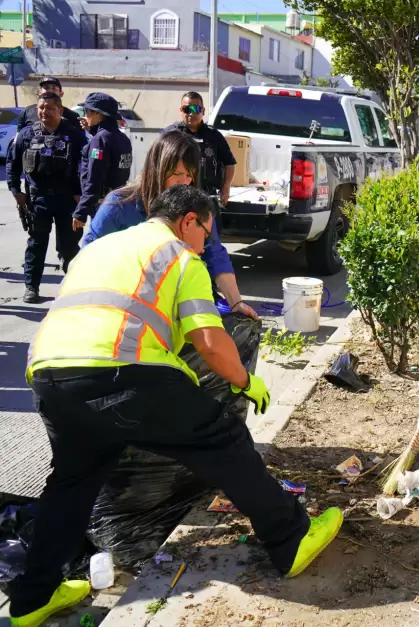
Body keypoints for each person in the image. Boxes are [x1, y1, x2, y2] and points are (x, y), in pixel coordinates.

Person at [6, 186, 343, 627]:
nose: (207, 243)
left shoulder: (104, 246)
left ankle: (33, 598)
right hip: (125, 371)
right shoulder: (180, 256)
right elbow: (210, 340)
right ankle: (291, 538)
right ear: (189, 221)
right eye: (207, 231)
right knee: (222, 439)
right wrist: (245, 381)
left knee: (72, 483)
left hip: (50, 373)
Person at [83, 130, 258, 319]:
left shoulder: (197, 209)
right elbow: (87, 257)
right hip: (122, 312)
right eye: (176, 174)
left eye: (190, 176)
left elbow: (215, 254)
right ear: (156, 169)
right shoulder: (119, 205)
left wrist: (236, 302)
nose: (184, 183)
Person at [6, 92, 88, 304]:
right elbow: (12, 165)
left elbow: (87, 167)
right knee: (36, 245)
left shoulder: (75, 135)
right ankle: (31, 287)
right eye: (41, 107)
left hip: (67, 201)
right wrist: (16, 191)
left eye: (50, 108)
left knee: (70, 246)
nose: (44, 112)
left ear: (60, 110)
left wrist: (82, 194)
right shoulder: (25, 135)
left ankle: (73, 288)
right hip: (37, 201)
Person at [163, 91, 236, 206]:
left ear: (203, 111)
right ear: (181, 111)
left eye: (195, 109)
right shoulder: (170, 134)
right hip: (177, 198)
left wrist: (226, 187)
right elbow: (157, 163)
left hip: (207, 198)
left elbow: (229, 163)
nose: (191, 113)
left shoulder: (214, 136)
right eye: (187, 109)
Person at [72, 92, 133, 231]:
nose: (86, 116)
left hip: (103, 205)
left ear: (98, 114)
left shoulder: (100, 140)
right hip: (119, 201)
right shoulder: (122, 138)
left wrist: (81, 210)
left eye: (87, 112)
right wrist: (94, 132)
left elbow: (95, 177)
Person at [15, 77, 83, 132]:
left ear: (61, 93)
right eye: (46, 87)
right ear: (40, 92)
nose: (50, 90)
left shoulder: (72, 116)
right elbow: (18, 140)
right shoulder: (27, 112)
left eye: (54, 88)